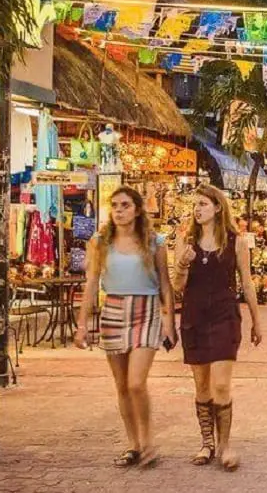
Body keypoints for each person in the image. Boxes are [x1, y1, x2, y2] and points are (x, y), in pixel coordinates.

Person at [74, 186, 175, 468]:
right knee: (121, 385)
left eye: (125, 205)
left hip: (146, 310)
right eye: (115, 205)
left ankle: (148, 442)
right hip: (113, 310)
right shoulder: (99, 241)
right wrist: (82, 324)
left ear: (138, 209)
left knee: (136, 382)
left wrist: (169, 320)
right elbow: (92, 282)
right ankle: (133, 445)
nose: (119, 211)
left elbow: (165, 283)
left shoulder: (155, 241)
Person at [172, 184, 263, 471]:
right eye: (195, 205)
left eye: (203, 204)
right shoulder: (185, 240)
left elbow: (246, 282)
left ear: (218, 207)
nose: (197, 209)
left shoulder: (235, 241)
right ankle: (207, 443)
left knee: (221, 384)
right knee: (201, 386)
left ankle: (225, 446)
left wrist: (256, 321)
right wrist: (182, 266)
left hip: (224, 315)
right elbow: (177, 288)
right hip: (194, 316)